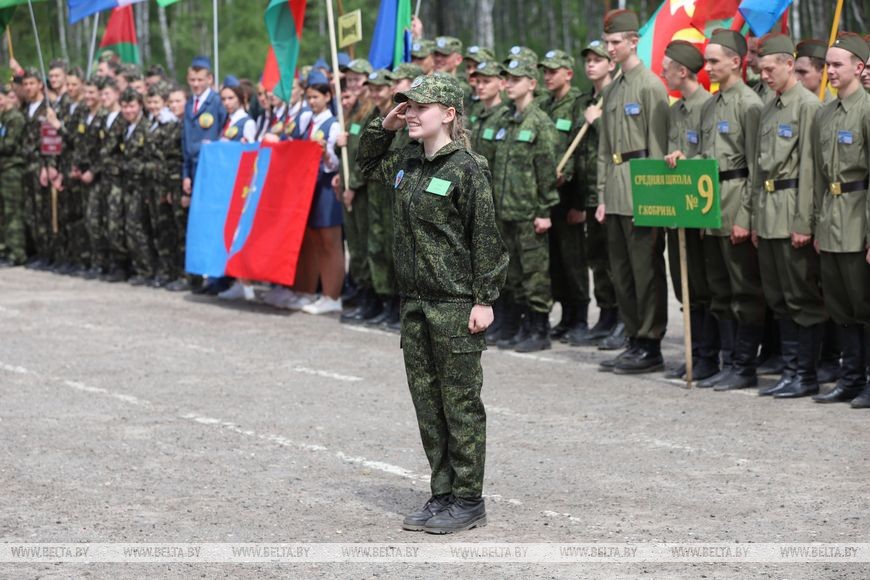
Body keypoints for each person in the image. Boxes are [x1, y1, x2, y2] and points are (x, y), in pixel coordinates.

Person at [357, 72, 508, 534]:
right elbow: (365, 163)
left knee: (460, 405)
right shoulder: (407, 162)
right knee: (428, 405)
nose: (411, 114)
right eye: (408, 106)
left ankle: (468, 499)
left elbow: (486, 237)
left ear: (448, 114)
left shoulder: (467, 167)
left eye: (420, 107)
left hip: (455, 305)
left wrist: (484, 299)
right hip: (416, 305)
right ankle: (442, 493)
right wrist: (384, 123)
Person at [673, 29, 765, 390]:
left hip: (736, 198)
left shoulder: (750, 104)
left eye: (713, 61)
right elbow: (707, 154)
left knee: (743, 288)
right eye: (706, 61)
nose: (707, 67)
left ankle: (744, 365)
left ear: (735, 62)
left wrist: (746, 216)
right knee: (719, 288)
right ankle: (727, 361)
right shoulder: (710, 105)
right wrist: (685, 159)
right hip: (709, 204)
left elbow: (756, 166)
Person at [749, 34, 825, 399]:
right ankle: (789, 370)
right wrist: (755, 219)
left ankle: (804, 374)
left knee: (801, 298)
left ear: (789, 64)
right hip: (768, 212)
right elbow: (758, 167)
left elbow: (810, 169)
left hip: (792, 208)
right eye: (761, 69)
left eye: (769, 69)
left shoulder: (807, 105)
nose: (763, 75)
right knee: (778, 297)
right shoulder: (769, 105)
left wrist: (803, 221)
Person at [595, 10, 669, 374]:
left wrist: (654, 198)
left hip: (642, 186)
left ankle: (650, 342)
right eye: (607, 42)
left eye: (615, 42)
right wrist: (602, 196)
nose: (610, 48)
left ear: (634, 41)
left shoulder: (651, 86)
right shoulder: (612, 89)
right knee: (621, 272)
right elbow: (604, 150)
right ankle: (633, 338)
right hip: (615, 189)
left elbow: (658, 146)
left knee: (646, 271)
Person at [810, 33, 870, 408]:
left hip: (858, 218)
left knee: (865, 304)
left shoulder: (867, 109)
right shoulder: (825, 113)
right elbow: (819, 176)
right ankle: (850, 379)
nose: (829, 71)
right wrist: (817, 224)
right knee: (840, 306)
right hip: (831, 219)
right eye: (828, 64)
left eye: (837, 64)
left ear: (859, 67)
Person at [490, 58, 559, 352]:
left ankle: (539, 329)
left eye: (515, 79)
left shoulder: (540, 122)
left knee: (535, 274)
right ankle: (520, 325)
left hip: (530, 213)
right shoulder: (507, 120)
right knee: (513, 273)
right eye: (506, 78)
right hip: (506, 211)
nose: (508, 84)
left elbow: (547, 172)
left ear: (531, 83)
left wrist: (545, 211)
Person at [661, 40, 718, 382]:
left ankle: (709, 356)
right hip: (678, 209)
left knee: (704, 284)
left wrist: (688, 161)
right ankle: (693, 353)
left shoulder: (708, 106)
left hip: (702, 208)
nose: (663, 72)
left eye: (667, 68)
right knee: (686, 287)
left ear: (682, 71)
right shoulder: (676, 110)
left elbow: (712, 155)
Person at [565, 40, 619, 348]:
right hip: (586, 190)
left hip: (608, 188)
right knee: (596, 256)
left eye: (597, 60)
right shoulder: (585, 100)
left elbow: (618, 140)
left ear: (611, 64)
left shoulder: (615, 96)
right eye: (587, 60)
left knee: (613, 257)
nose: (591, 65)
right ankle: (606, 313)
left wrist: (597, 123)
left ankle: (621, 316)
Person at [538, 49, 588, 343]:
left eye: (553, 71)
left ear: (568, 74)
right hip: (548, 195)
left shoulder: (577, 104)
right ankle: (566, 315)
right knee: (555, 259)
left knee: (573, 259)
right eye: (544, 71)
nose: (547, 76)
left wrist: (580, 203)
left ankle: (580, 317)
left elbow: (581, 152)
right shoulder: (544, 105)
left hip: (570, 193)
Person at [295, 79, 345, 315]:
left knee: (330, 241)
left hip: (326, 185)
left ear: (327, 97)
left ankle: (333, 295)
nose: (312, 102)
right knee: (315, 240)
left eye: (316, 97)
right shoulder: (308, 121)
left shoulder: (333, 125)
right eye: (309, 98)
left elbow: (335, 163)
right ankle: (317, 292)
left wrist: (325, 152)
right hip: (309, 185)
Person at [181, 56, 227, 294]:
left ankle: (216, 277)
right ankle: (200, 276)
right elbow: (185, 143)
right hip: (194, 171)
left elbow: (223, 135)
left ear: (210, 79)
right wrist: (185, 174)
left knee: (214, 224)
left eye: (200, 79)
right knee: (199, 225)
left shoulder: (217, 103)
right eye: (192, 80)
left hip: (211, 172)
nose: (196, 84)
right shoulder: (190, 104)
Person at [118, 88, 158, 286]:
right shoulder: (126, 128)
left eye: (132, 106)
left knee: (138, 227)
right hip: (129, 185)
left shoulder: (147, 128)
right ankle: (140, 267)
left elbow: (155, 161)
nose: (128, 111)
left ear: (140, 106)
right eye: (124, 107)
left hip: (143, 186)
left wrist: (134, 166)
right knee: (131, 227)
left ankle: (148, 269)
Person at [0, 85, 27, 267]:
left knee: (13, 211)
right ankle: (6, 248)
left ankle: (17, 252)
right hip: (3, 169)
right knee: (4, 212)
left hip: (12, 169)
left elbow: (9, 145)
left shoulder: (15, 118)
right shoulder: (3, 118)